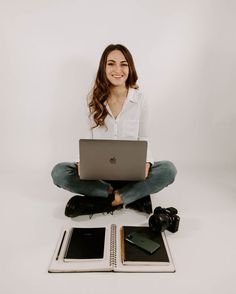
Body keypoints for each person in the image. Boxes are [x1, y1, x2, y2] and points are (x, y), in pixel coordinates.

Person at [51, 44, 177, 218]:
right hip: (100, 177)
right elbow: (85, 138)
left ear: (130, 68)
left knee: (169, 170)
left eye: (123, 64)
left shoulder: (140, 99)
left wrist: (147, 163)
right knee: (59, 173)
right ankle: (129, 197)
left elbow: (144, 137)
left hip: (131, 174)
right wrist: (82, 163)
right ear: (104, 68)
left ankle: (107, 201)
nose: (118, 70)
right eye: (111, 64)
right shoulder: (91, 100)